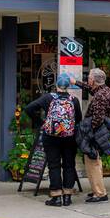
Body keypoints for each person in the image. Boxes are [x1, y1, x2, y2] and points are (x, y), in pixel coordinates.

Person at [24, 73, 81, 207]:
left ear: (56, 85)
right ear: (68, 86)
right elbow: (78, 119)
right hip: (69, 137)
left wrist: (41, 122)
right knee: (69, 165)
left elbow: (29, 108)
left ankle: (56, 197)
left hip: (51, 137)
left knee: (54, 165)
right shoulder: (74, 100)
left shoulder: (48, 98)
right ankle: (67, 197)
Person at [76, 68, 110, 203]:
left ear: (93, 80)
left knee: (93, 162)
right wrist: (75, 82)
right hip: (101, 131)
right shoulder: (106, 90)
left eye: (89, 78)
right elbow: (91, 89)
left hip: (96, 132)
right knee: (93, 161)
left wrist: (88, 133)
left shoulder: (100, 96)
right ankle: (96, 190)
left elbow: (97, 119)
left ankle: (100, 193)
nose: (88, 80)